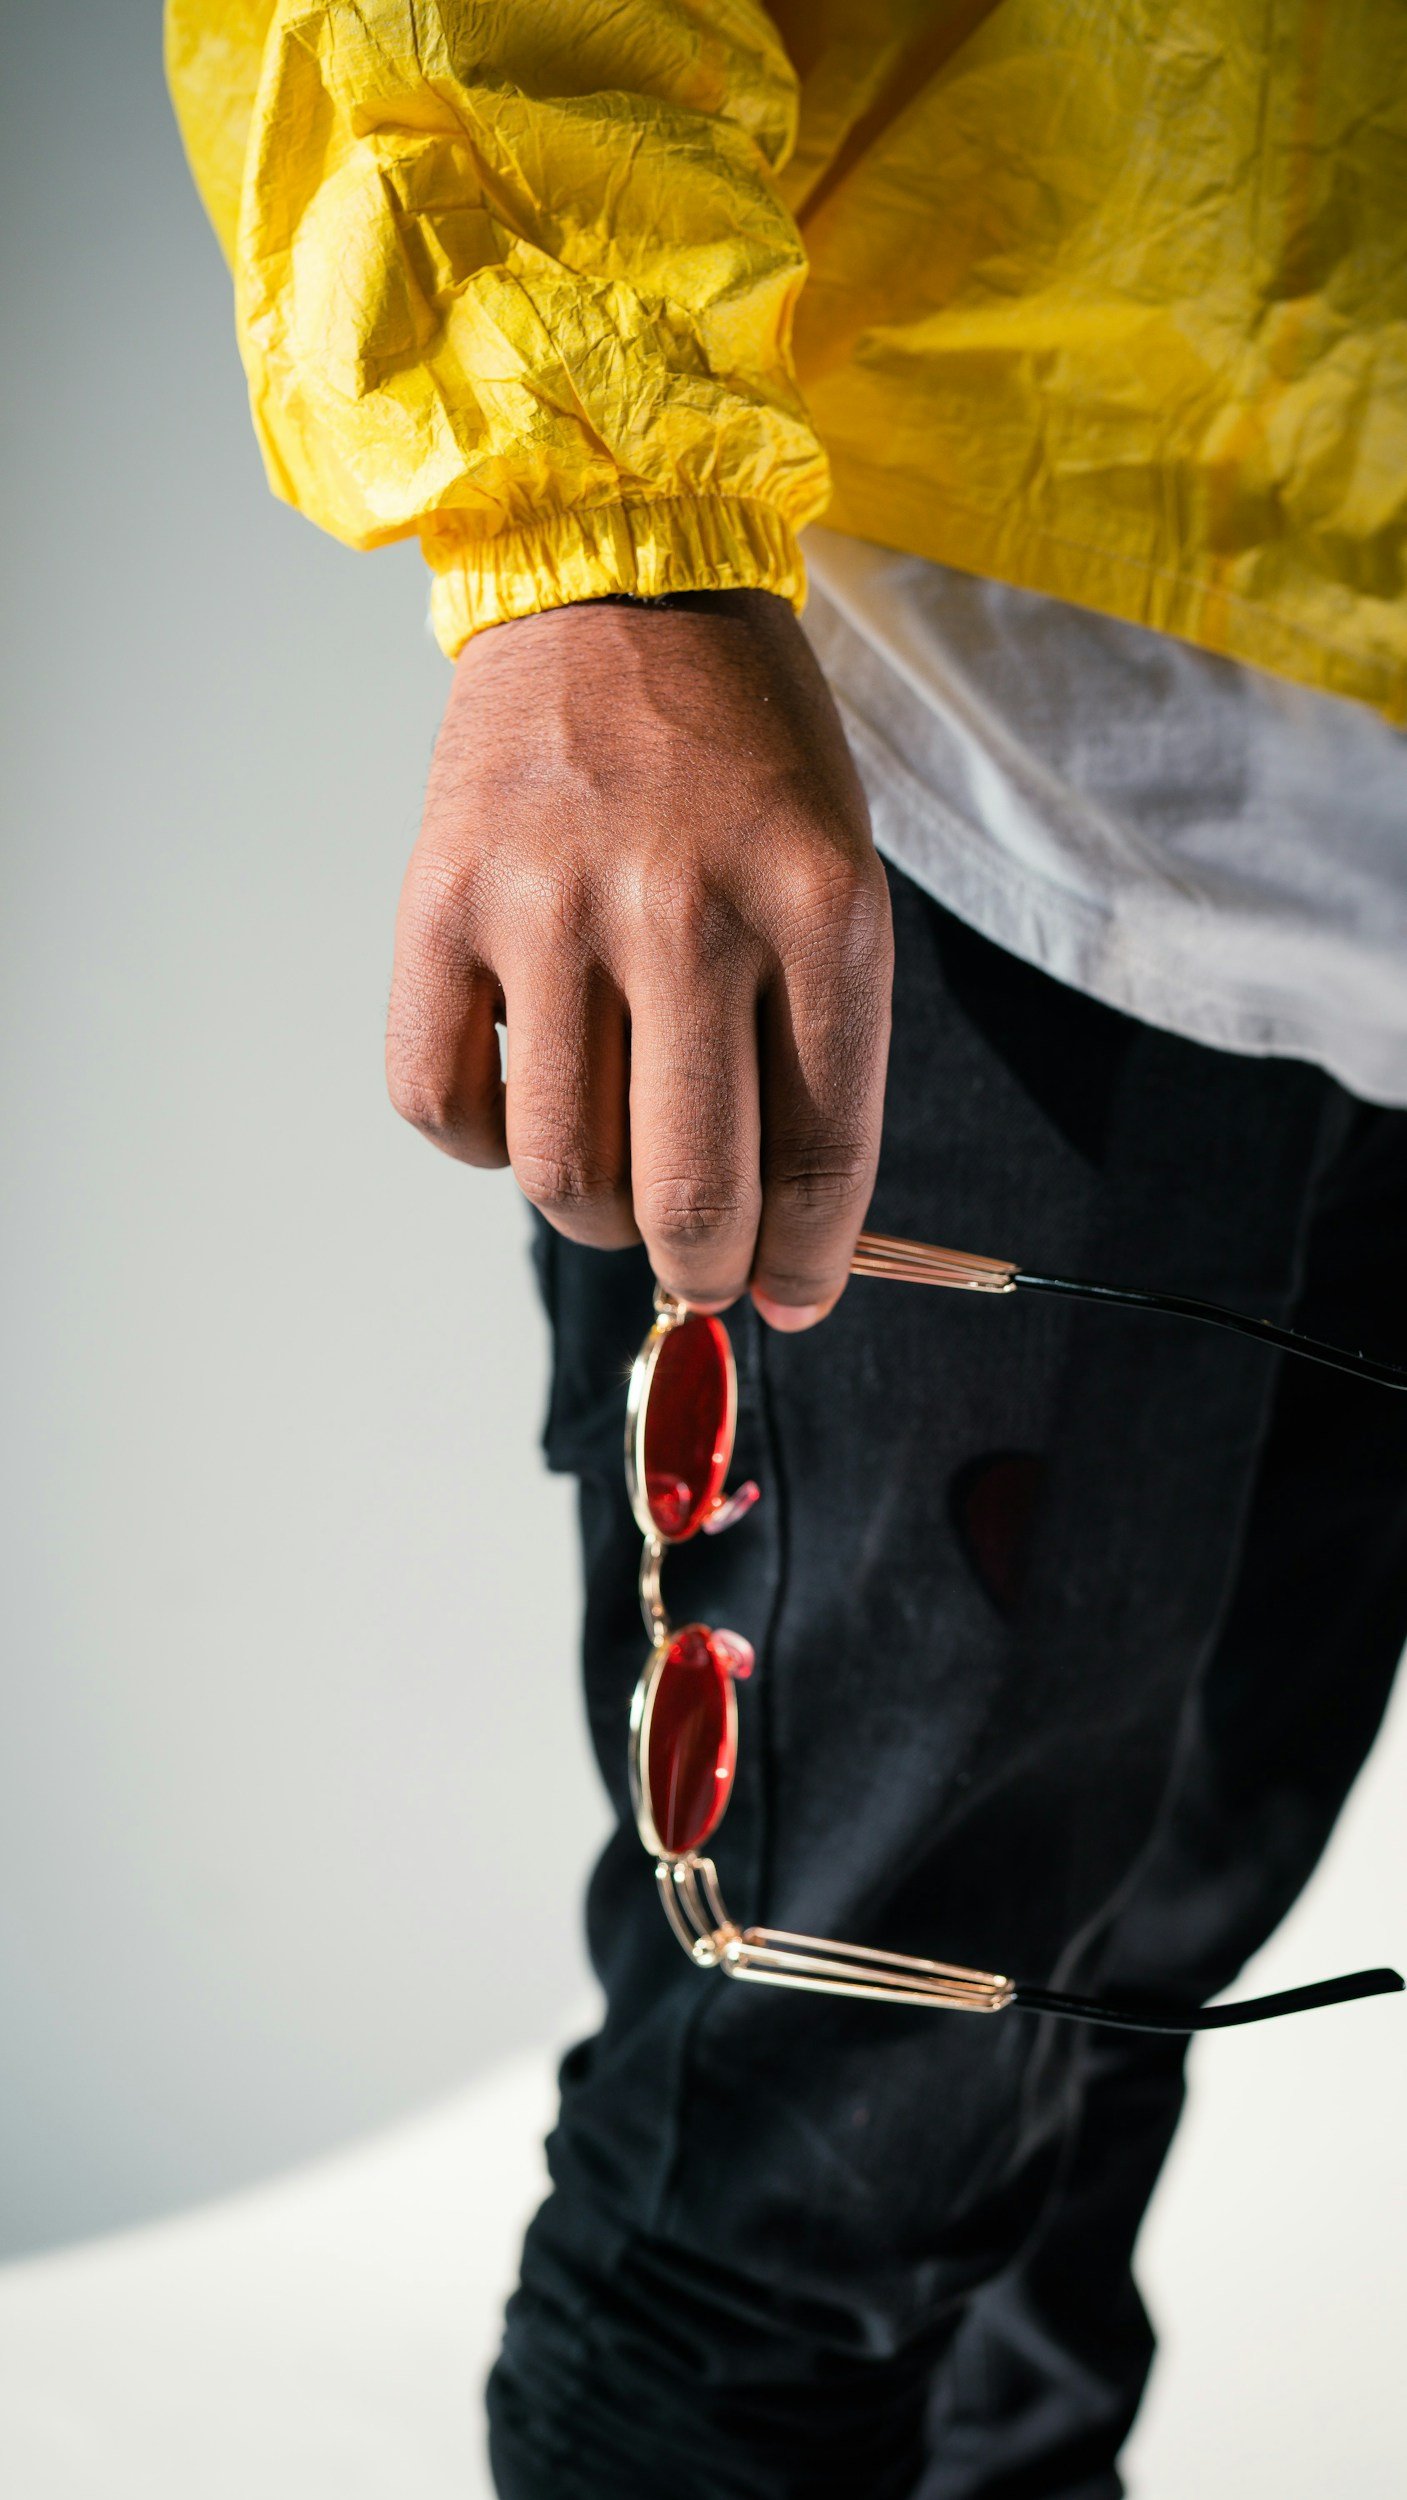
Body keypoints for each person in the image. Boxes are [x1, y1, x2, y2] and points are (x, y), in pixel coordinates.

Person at [167, 6, 1407, 2493]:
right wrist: (590, 539)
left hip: (1358, 816)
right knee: (804, 2169)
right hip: (956, 733)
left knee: (1083, 2048)